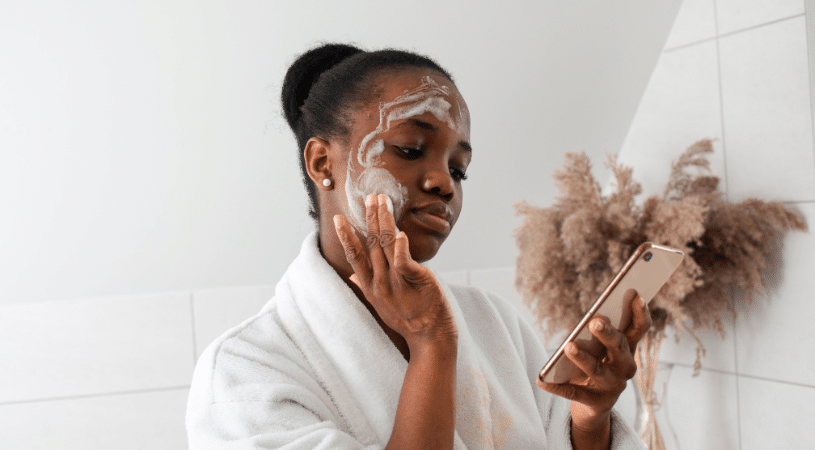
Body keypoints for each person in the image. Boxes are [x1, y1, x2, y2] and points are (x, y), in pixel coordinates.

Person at [186, 43, 650, 450]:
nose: (444, 183)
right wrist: (432, 344)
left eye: (459, 168)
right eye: (410, 149)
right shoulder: (243, 374)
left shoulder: (494, 323)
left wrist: (590, 421)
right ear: (322, 161)